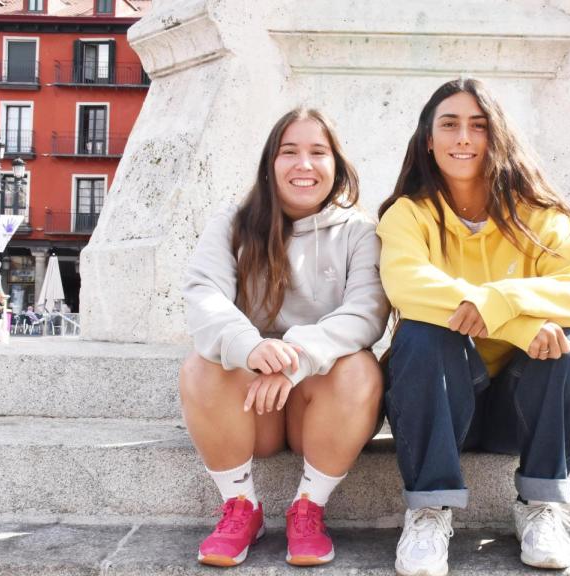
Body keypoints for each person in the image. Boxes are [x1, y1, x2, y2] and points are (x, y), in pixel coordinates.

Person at [376, 78, 570, 575]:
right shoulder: (408, 214)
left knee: (569, 350)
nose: (463, 137)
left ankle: (539, 504)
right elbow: (407, 287)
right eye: (449, 124)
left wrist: (501, 300)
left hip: (519, 411)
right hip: (440, 405)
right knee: (422, 333)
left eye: (478, 126)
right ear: (428, 138)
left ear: (497, 137)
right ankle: (427, 510)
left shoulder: (543, 217)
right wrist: (516, 327)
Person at [179, 108, 389, 568]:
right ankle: (241, 507)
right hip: (257, 408)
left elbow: (367, 311)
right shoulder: (231, 225)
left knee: (360, 366)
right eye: (289, 152)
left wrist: (294, 356)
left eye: (318, 152)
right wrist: (252, 349)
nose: (304, 165)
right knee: (202, 363)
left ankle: (308, 508)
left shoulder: (360, 232)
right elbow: (203, 296)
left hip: (322, 400)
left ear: (337, 164)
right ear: (269, 163)